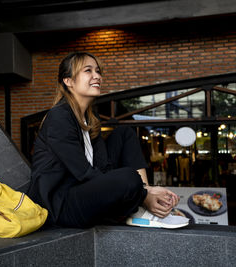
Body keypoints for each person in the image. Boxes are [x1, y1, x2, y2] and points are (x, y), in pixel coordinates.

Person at [27, 52, 189, 229]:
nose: (97, 76)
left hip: (85, 191)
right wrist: (144, 193)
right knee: (128, 178)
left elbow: (103, 167)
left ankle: (144, 207)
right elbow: (83, 173)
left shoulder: (90, 118)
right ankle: (142, 203)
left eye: (98, 71)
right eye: (88, 71)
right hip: (60, 206)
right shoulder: (59, 117)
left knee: (124, 133)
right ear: (69, 81)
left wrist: (145, 189)